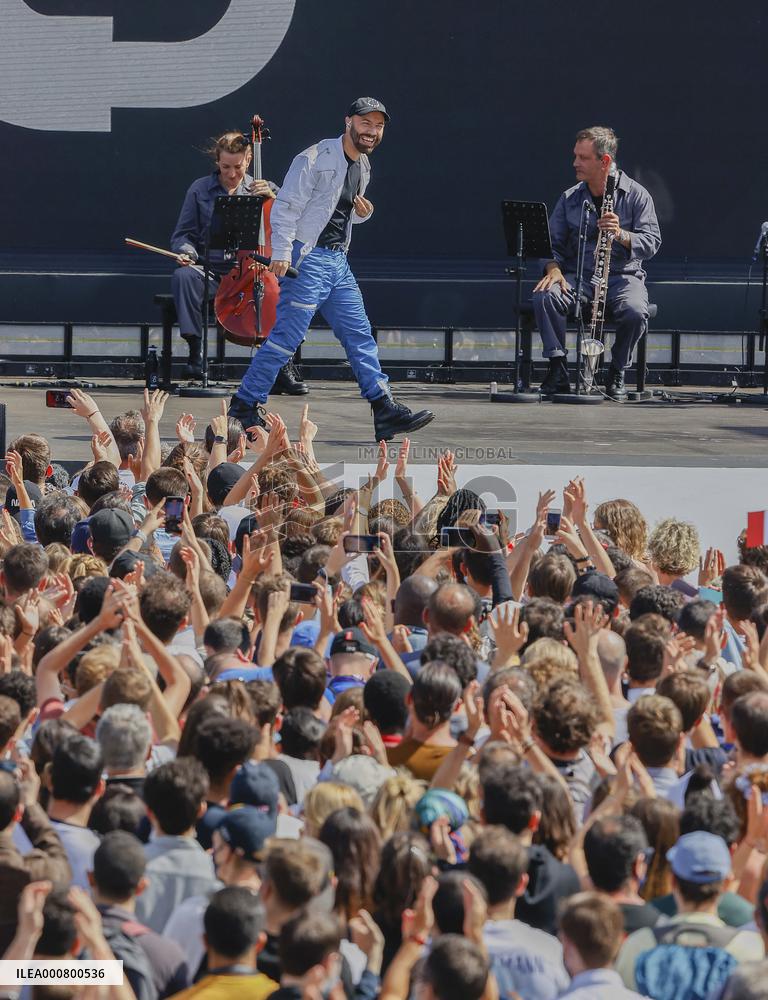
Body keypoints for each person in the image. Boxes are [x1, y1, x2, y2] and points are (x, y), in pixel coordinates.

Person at [227, 97, 435, 442]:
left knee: (360, 335)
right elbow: (287, 207)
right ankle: (244, 405)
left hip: (338, 261)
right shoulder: (314, 158)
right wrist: (281, 253)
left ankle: (383, 407)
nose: (372, 131)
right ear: (348, 122)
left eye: (378, 125)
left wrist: (360, 213)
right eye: (365, 123)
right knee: (286, 338)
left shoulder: (363, 166)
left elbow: (334, 214)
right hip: (307, 259)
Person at [171, 129, 305, 393]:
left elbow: (291, 225)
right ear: (217, 162)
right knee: (183, 277)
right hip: (212, 269)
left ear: (249, 160)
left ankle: (282, 364)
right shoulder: (199, 190)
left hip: (254, 270)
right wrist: (186, 251)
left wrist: (274, 200)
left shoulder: (264, 189)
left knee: (287, 288)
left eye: (238, 167)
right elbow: (183, 234)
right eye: (225, 167)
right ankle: (195, 353)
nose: (231, 174)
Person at [532, 125, 661, 398]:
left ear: (604, 161)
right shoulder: (570, 198)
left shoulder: (637, 195)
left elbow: (651, 243)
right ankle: (558, 369)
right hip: (579, 275)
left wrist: (622, 235)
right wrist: (553, 269)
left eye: (582, 158)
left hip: (622, 276)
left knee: (636, 311)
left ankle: (617, 371)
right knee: (546, 295)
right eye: (575, 156)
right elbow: (550, 245)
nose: (575, 163)